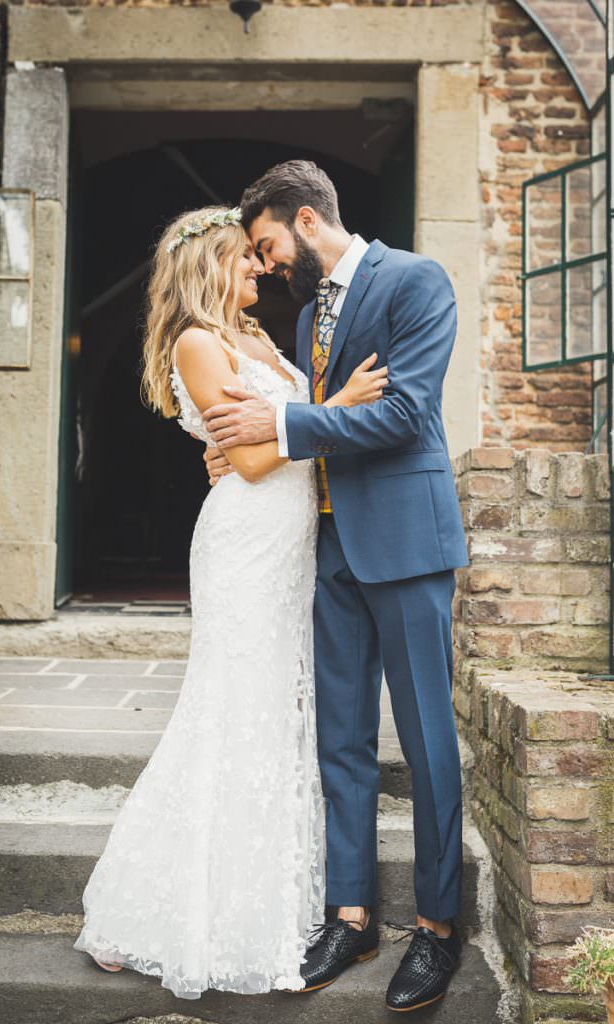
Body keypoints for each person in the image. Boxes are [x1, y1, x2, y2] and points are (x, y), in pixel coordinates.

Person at [72, 204, 389, 999]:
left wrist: (298, 426)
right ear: (206, 265)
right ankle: (153, 912)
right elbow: (248, 462)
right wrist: (342, 407)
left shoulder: (256, 341)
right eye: (243, 258)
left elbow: (266, 440)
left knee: (275, 714)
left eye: (256, 256)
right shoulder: (197, 342)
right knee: (229, 711)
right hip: (245, 544)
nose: (258, 268)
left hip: (288, 547)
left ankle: (256, 898)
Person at [203, 161, 470, 1012]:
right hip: (325, 549)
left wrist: (280, 423)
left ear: (307, 222)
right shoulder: (313, 309)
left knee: (426, 743)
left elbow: (405, 414)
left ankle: (435, 927)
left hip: (404, 541)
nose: (269, 264)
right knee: (341, 741)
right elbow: (305, 425)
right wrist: (249, 444)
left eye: (269, 245)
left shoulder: (416, 280)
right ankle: (350, 916)